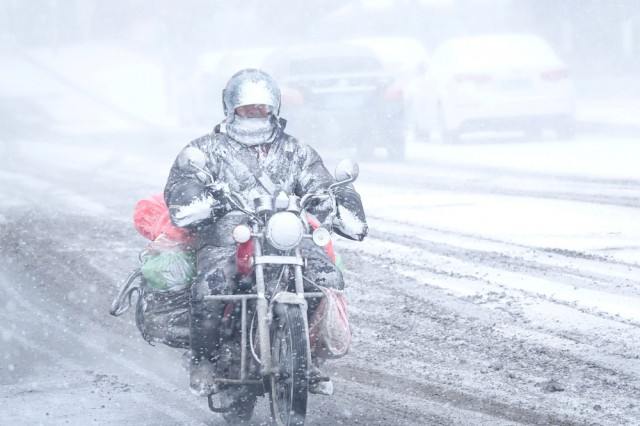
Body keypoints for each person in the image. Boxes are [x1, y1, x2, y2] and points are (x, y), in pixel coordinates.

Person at [164, 68, 368, 397]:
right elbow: (182, 192)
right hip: (228, 238)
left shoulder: (296, 151)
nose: (255, 113)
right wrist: (208, 203)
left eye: (261, 107)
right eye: (248, 108)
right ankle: (203, 361)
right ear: (231, 109)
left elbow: (320, 184)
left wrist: (331, 202)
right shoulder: (206, 150)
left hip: (288, 237)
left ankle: (311, 357)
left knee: (327, 279)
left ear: (274, 108)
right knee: (210, 286)